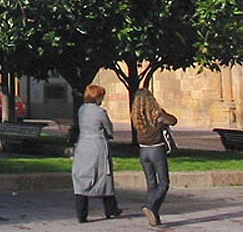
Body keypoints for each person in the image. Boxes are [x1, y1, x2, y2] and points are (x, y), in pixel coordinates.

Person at [71, 84, 121, 223]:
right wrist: (109, 134)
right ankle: (111, 209)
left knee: (81, 177)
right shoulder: (100, 112)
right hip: (97, 145)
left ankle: (82, 214)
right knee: (103, 176)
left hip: (83, 145)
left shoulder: (81, 110)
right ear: (97, 97)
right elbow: (108, 128)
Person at [131, 88, 178, 228]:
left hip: (143, 151)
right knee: (164, 182)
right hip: (156, 149)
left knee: (151, 183)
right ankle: (150, 206)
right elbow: (173, 120)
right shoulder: (157, 114)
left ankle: (154, 216)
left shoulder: (136, 115)